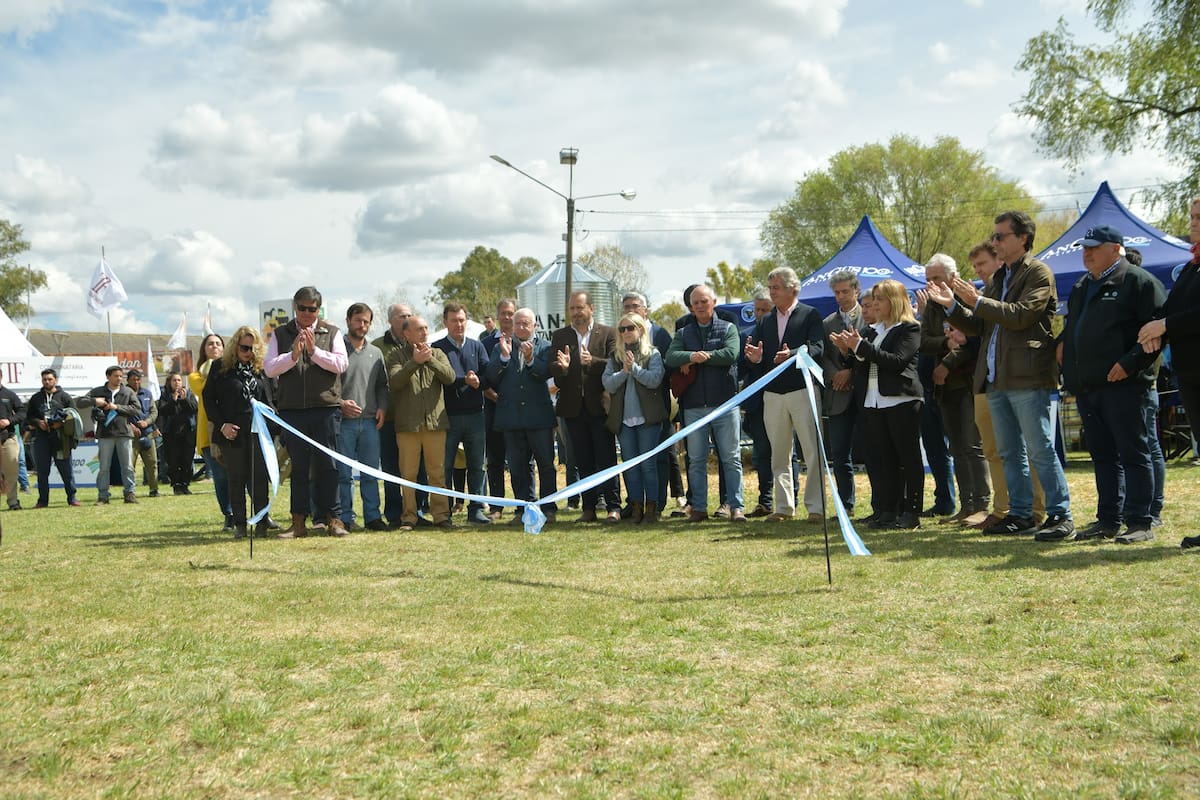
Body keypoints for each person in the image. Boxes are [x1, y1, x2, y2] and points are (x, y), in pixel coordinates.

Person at [931, 210, 1074, 540]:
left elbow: (1022, 316)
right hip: (997, 377)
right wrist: (953, 306)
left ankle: (1060, 515)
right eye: (994, 236)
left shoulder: (1038, 273)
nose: (995, 242)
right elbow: (981, 325)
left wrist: (977, 300)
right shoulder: (1001, 279)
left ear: (1022, 238)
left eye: (1000, 236)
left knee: (1039, 450)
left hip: (1027, 375)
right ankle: (1020, 514)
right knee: (1010, 452)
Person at [1050, 224, 1165, 544]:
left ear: (1116, 248)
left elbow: (1156, 332)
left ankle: (1141, 521)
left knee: (1134, 453)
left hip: (1126, 386)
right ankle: (1108, 520)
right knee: (1103, 456)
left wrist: (1128, 365)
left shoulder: (1139, 282)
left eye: (1094, 247)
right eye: (1084, 247)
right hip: (1089, 387)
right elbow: (1074, 330)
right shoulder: (1083, 285)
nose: (1086, 253)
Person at [830, 279, 924, 529]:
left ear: (894, 301)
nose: (876, 305)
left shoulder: (909, 329)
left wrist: (861, 346)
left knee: (908, 458)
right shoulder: (875, 331)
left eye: (880, 300)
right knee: (885, 459)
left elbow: (896, 361)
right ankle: (888, 510)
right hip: (875, 401)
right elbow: (863, 366)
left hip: (902, 400)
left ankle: (912, 511)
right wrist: (848, 351)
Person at [1139, 197, 1200, 548]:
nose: (1192, 222)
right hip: (1190, 372)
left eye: (1199, 217)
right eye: (1191, 215)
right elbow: (1176, 309)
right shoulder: (1192, 266)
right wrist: (1155, 332)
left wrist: (1165, 324)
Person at [266, 286, 350, 539]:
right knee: (299, 468)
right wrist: (292, 356)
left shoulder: (331, 332)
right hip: (293, 411)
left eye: (311, 309)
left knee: (329, 466)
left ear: (318, 309)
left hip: (325, 409)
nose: (306, 313)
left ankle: (334, 519)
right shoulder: (280, 334)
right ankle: (298, 522)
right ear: (295, 307)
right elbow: (269, 368)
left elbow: (341, 364)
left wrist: (314, 352)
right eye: (301, 308)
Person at [744, 266, 826, 523]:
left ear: (793, 288)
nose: (772, 292)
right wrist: (756, 358)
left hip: (802, 390)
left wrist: (792, 355)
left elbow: (818, 348)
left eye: (776, 288)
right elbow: (756, 354)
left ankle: (816, 508)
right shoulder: (765, 320)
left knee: (811, 451)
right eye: (770, 288)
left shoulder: (809, 314)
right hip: (773, 394)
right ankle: (783, 507)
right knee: (778, 453)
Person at [918, 254, 990, 524]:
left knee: (973, 445)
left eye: (936, 278)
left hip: (969, 383)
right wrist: (946, 346)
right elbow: (924, 342)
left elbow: (971, 341)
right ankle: (966, 505)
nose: (931, 284)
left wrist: (947, 363)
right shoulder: (934, 307)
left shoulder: (967, 299)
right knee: (957, 448)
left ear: (952, 276)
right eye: (928, 280)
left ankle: (981, 505)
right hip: (944, 388)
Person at [666, 284, 746, 523]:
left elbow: (731, 354)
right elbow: (671, 357)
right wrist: (691, 356)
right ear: (690, 307)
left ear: (714, 302)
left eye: (704, 301)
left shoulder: (729, 328)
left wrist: (702, 357)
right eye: (696, 303)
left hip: (725, 404)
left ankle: (736, 506)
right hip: (693, 406)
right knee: (696, 459)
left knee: (731, 458)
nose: (700, 306)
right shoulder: (682, 333)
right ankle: (698, 507)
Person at [551, 291, 620, 523]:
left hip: (600, 408)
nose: (575, 313)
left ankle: (613, 507)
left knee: (607, 458)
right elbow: (557, 376)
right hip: (572, 410)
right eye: (572, 309)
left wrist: (594, 362)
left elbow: (615, 362)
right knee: (583, 460)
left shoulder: (608, 333)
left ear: (591, 308)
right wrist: (563, 368)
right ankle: (588, 508)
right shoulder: (560, 336)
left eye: (579, 308)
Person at [486, 308, 558, 525]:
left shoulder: (545, 347)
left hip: (539, 417)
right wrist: (504, 358)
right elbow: (490, 377)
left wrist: (530, 360)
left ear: (535, 326)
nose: (521, 328)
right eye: (518, 324)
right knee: (517, 466)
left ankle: (549, 507)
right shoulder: (502, 347)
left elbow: (545, 373)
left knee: (546, 464)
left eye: (526, 324)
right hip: (512, 418)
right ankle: (523, 508)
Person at [203, 326, 274, 539]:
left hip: (258, 432)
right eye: (244, 347)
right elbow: (208, 399)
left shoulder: (261, 370)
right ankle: (240, 524)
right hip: (231, 432)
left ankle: (262, 522)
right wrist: (222, 424)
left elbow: (271, 399)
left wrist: (273, 426)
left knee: (260, 478)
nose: (248, 352)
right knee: (236, 478)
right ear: (235, 346)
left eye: (253, 348)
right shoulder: (220, 368)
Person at [387, 314, 455, 531]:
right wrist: (414, 363)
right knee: (408, 474)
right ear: (406, 334)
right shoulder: (395, 355)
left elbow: (450, 377)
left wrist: (429, 360)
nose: (425, 332)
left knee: (437, 473)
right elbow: (395, 382)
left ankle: (441, 515)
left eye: (426, 328)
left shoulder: (438, 353)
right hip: (408, 426)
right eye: (419, 329)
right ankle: (409, 517)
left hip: (435, 424)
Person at [602, 313, 666, 523]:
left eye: (630, 328)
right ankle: (636, 507)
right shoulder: (615, 356)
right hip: (624, 421)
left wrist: (635, 369)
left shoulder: (653, 354)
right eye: (622, 329)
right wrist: (624, 372)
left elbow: (655, 380)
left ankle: (651, 509)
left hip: (648, 419)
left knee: (648, 465)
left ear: (640, 329)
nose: (626, 332)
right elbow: (608, 384)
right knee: (630, 466)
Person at [621, 291, 680, 516]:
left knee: (659, 458)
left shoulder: (660, 334)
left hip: (656, 408)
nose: (630, 309)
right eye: (626, 306)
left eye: (635, 305)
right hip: (628, 411)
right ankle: (634, 504)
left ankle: (657, 505)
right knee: (633, 461)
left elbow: (667, 369)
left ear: (645, 310)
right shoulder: (621, 339)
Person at [433, 302, 492, 525]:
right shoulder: (437, 348)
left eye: (462, 320)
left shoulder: (477, 347)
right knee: (445, 466)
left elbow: (488, 376)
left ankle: (476, 509)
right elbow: (439, 379)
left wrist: (479, 381)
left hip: (476, 414)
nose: (459, 324)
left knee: (477, 465)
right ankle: (444, 511)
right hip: (448, 417)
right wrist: (462, 381)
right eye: (454, 320)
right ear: (445, 322)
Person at [337, 302, 389, 533]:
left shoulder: (376, 353)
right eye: (358, 320)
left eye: (366, 321)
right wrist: (340, 404)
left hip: (369, 422)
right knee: (343, 475)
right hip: (343, 423)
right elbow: (328, 386)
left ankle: (372, 517)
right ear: (348, 321)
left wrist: (382, 407)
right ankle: (345, 518)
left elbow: (382, 385)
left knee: (370, 473)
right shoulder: (336, 350)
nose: (362, 325)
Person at [822, 271, 865, 518]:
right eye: (837, 293)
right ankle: (845, 504)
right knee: (839, 454)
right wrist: (836, 375)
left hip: (864, 392)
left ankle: (882, 504)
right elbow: (824, 357)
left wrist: (850, 371)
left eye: (845, 292)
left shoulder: (870, 317)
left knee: (874, 450)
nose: (841, 297)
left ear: (856, 291)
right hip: (838, 395)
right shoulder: (828, 323)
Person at [190, 333, 235, 531]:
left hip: (233, 429)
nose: (214, 347)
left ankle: (241, 512)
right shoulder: (195, 376)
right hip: (209, 433)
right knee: (220, 476)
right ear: (204, 349)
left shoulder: (233, 370)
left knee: (236, 475)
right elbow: (207, 390)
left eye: (218, 343)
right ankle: (229, 514)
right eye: (210, 344)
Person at [740, 288, 776, 517]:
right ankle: (766, 500)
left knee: (784, 452)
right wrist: (751, 360)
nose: (761, 314)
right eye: (757, 309)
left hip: (782, 397)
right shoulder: (747, 335)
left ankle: (786, 498)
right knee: (762, 452)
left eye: (766, 309)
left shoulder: (781, 334)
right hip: (757, 403)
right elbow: (740, 369)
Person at [26, 369, 80, 508]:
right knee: (43, 471)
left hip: (61, 438)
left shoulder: (65, 397)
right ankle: (42, 500)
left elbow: (74, 415)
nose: (47, 382)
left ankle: (72, 498)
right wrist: (39, 423)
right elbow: (29, 417)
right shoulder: (36, 398)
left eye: (50, 379)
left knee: (66, 470)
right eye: (44, 379)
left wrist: (61, 423)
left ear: (55, 379)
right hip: (42, 438)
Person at [88, 366, 139, 504]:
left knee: (127, 466)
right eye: (116, 376)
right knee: (104, 466)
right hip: (105, 434)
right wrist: (95, 402)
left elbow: (136, 409)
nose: (119, 379)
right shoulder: (98, 391)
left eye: (121, 376)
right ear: (108, 376)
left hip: (124, 432)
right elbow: (81, 402)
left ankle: (130, 493)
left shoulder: (127, 392)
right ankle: (103, 495)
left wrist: (117, 407)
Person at [157, 372, 197, 495]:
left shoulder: (188, 393)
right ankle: (176, 484)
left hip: (187, 433)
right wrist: (173, 401)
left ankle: (185, 484)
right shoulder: (165, 395)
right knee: (173, 461)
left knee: (187, 460)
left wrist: (184, 400)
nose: (177, 382)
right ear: (169, 382)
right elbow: (162, 411)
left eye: (179, 380)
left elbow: (194, 408)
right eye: (174, 380)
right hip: (171, 434)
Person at [126, 369, 160, 498]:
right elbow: (119, 413)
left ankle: (154, 489)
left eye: (138, 379)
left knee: (152, 463)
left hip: (147, 433)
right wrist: (131, 426)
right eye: (133, 379)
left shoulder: (147, 393)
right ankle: (130, 491)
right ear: (127, 380)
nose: (136, 382)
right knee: (130, 465)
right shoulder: (123, 394)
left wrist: (147, 422)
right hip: (130, 436)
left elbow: (154, 412)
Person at [0, 378, 24, 511]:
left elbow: (22, 413)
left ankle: (13, 501)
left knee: (11, 472)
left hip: (7, 438)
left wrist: (9, 421)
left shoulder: (10, 395)